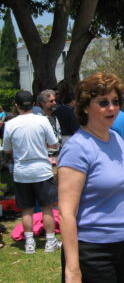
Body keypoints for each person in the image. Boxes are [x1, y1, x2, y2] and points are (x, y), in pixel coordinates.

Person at [57, 73, 124, 283]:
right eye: (103, 102)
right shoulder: (77, 148)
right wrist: (73, 270)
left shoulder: (117, 139)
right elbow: (66, 214)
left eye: (116, 102)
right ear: (84, 107)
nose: (112, 108)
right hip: (92, 251)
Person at [2, 90, 60, 254]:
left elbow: (7, 150)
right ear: (34, 104)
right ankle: (50, 241)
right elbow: (53, 144)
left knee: (26, 209)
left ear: (16, 105)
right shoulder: (42, 121)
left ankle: (29, 242)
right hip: (41, 169)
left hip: (22, 171)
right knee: (47, 207)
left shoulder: (10, 124)